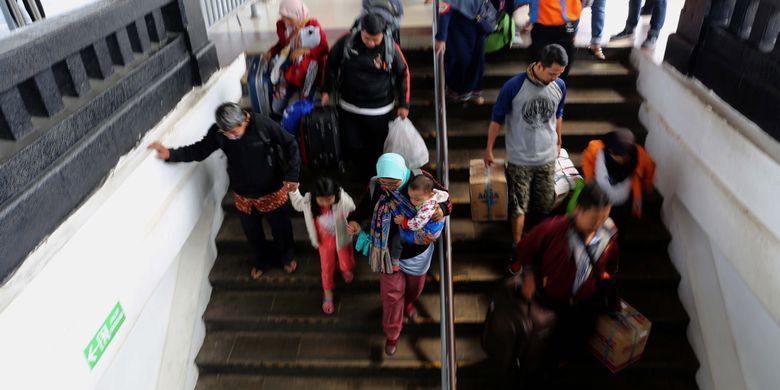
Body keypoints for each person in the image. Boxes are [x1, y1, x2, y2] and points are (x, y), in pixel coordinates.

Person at [148, 103, 301, 280]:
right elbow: (199, 150)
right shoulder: (219, 133)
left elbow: (290, 143)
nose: (230, 136)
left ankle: (287, 257)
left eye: (234, 133)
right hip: (243, 194)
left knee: (281, 228)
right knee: (253, 233)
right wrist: (170, 154)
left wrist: (292, 175)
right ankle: (262, 261)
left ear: (244, 120)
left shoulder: (262, 125)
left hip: (271, 190)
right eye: (226, 133)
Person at [346, 153, 452, 356]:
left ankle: (409, 303)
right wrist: (355, 221)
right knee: (392, 295)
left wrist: (442, 209)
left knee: (415, 288)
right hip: (387, 253)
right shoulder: (376, 185)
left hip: (417, 254)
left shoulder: (420, 180)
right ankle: (392, 334)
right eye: (383, 180)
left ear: (401, 175)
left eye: (392, 181)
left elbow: (445, 197)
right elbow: (363, 207)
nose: (387, 185)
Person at [509, 183, 619, 370]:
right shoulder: (553, 229)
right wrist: (528, 277)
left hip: (584, 300)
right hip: (553, 299)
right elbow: (525, 248)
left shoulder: (609, 232)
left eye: (604, 218)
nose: (598, 225)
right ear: (578, 210)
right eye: (594, 219)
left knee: (577, 335)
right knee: (551, 341)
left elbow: (611, 262)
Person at [484, 43, 567, 248]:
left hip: (547, 157)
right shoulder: (513, 86)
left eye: (559, 74)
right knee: (518, 207)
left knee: (545, 204)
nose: (555, 78)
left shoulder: (559, 86)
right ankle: (517, 246)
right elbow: (497, 119)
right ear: (539, 65)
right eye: (552, 73)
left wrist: (559, 138)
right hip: (519, 159)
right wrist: (489, 149)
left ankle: (539, 240)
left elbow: (559, 113)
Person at [321, 13, 410, 184]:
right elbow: (331, 63)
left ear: (383, 34)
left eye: (375, 40)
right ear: (361, 30)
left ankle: (373, 180)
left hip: (380, 109)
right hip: (349, 107)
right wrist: (326, 90)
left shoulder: (390, 47)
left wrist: (404, 104)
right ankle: (355, 178)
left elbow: (403, 74)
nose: (370, 43)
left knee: (376, 149)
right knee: (352, 144)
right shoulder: (347, 41)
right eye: (367, 38)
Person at [289, 177, 356, 315]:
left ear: (335, 195)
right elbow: (297, 204)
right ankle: (328, 293)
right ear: (315, 197)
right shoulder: (308, 202)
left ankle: (344, 268)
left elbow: (352, 207)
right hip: (324, 242)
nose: (325, 203)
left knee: (347, 263)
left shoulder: (341, 199)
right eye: (321, 200)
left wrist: (342, 198)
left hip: (342, 237)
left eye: (329, 198)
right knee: (326, 268)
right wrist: (294, 190)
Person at [581, 128, 656, 233]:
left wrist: (646, 185)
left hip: (623, 204)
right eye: (615, 155)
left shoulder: (639, 155)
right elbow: (587, 160)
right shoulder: (597, 149)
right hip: (600, 199)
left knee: (618, 228)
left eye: (623, 156)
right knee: (597, 226)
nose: (620, 159)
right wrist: (589, 178)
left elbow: (650, 167)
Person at [265, 0, 329, 118]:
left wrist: (305, 51)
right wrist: (272, 51)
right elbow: (283, 43)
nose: (285, 21)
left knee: (305, 106)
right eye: (283, 17)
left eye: (289, 18)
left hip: (309, 73)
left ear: (298, 14)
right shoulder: (283, 26)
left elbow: (324, 49)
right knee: (276, 107)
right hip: (290, 70)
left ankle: (303, 124)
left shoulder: (312, 25)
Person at [436, 0, 490, 104]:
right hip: (457, 30)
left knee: (477, 61)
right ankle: (455, 91)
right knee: (460, 60)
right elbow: (444, 11)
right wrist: (441, 38)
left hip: (478, 29)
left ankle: (474, 92)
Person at [527, 0, 583, 80]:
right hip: (544, 23)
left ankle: (556, 87)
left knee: (562, 63)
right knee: (540, 60)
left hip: (566, 23)